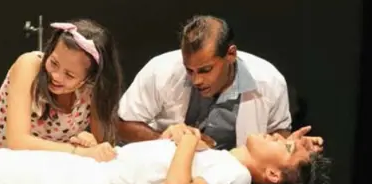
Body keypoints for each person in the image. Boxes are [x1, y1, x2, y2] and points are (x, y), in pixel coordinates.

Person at [0, 124, 330, 184]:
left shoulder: (235, 175)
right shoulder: (223, 159)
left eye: (287, 146)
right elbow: (155, 168)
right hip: (87, 172)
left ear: (274, 174)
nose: (281, 136)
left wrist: (188, 141)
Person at [118, 14, 313, 150]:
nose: (196, 80)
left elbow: (278, 132)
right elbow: (122, 123)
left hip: (237, 177)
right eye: (189, 70)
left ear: (231, 55)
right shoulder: (161, 70)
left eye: (205, 70)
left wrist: (293, 146)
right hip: (168, 172)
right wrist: (164, 140)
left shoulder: (270, 81)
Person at [0, 18, 123, 162]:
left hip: (50, 167)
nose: (56, 76)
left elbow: (103, 148)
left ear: (90, 79)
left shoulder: (94, 88)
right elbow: (17, 141)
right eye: (54, 63)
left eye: (69, 75)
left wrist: (89, 143)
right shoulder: (29, 66)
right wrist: (78, 152)